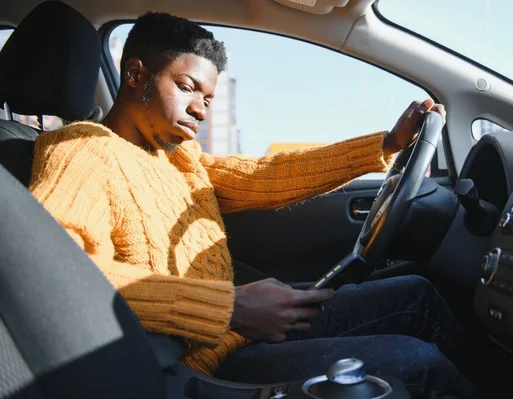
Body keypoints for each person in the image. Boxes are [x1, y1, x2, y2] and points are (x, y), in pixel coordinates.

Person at [29, 12, 477, 398]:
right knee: (420, 364)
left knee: (416, 294)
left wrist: (384, 144)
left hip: (238, 334)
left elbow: (266, 175)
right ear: (135, 74)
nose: (201, 110)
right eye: (187, 88)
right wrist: (230, 307)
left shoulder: (177, 160)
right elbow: (58, 272)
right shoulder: (82, 150)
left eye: (207, 99)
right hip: (199, 369)